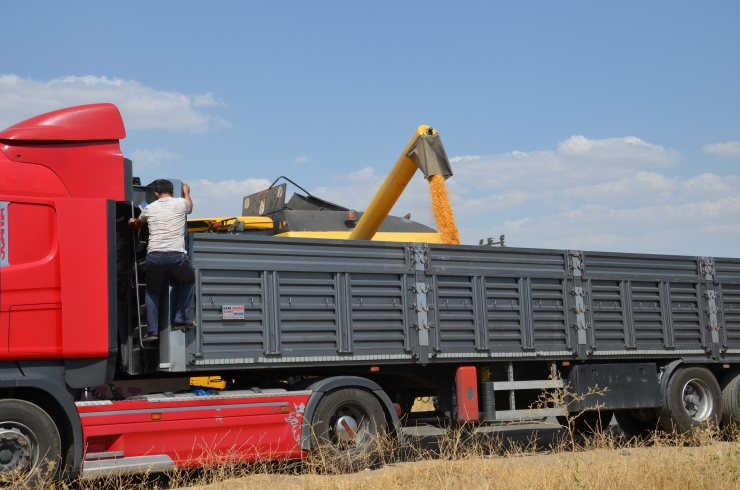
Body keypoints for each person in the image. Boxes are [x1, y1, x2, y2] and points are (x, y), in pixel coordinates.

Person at [128, 179, 195, 342]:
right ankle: (180, 317)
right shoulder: (180, 203)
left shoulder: (149, 208)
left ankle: (152, 332)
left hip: (154, 257)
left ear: (156, 193)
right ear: (172, 193)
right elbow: (190, 208)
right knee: (189, 280)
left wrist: (131, 222)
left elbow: (137, 225)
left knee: (152, 291)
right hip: (176, 255)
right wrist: (186, 192)